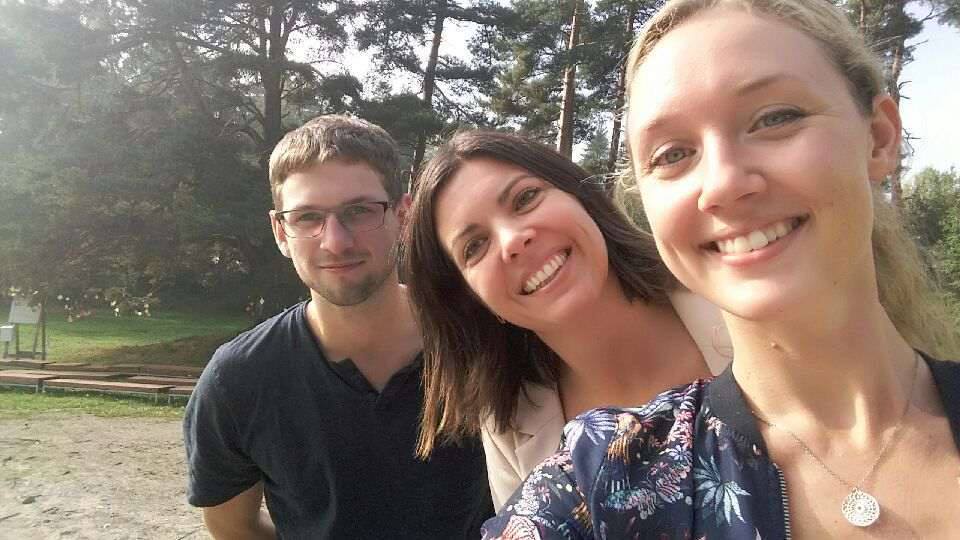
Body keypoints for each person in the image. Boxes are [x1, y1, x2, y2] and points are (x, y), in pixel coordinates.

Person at [481, 0, 960, 537]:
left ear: (879, 138)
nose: (724, 183)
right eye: (672, 154)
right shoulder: (597, 483)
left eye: (775, 118)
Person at [183, 115, 493, 539]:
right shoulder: (238, 380)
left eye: (359, 211)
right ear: (280, 231)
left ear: (403, 216)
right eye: (307, 217)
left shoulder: (484, 341)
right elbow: (233, 529)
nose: (336, 242)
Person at [403, 130, 731, 510]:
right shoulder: (509, 428)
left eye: (525, 198)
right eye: (474, 247)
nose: (512, 240)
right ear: (472, 298)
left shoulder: (733, 298)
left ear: (580, 196)